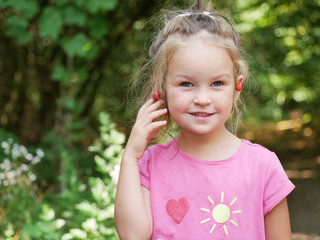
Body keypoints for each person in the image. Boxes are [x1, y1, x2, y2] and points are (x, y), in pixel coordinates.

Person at [114, 1, 295, 239]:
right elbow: (132, 236)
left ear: (237, 88)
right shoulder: (150, 164)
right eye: (186, 84)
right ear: (163, 89)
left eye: (217, 83)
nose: (202, 98)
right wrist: (130, 157)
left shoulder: (263, 166)